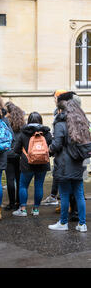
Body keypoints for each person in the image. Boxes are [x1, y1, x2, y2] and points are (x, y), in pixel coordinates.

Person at [48, 97, 89, 232]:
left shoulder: (60, 124)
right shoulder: (81, 122)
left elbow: (57, 144)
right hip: (79, 163)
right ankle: (82, 225)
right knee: (79, 193)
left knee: (65, 194)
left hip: (64, 164)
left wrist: (50, 149)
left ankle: (63, 222)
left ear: (61, 110)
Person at [13, 112, 52, 216]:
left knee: (23, 186)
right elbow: (51, 150)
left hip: (27, 164)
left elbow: (16, 150)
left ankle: (23, 209)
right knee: (39, 185)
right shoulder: (46, 133)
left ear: (29, 120)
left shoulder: (24, 133)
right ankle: (36, 209)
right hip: (43, 164)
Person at [41, 89, 67, 206]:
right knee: (58, 174)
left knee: (61, 175)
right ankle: (55, 196)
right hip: (61, 148)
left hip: (64, 150)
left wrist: (51, 148)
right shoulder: (57, 111)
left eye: (55, 98)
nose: (54, 100)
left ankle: (62, 202)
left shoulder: (63, 113)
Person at [4, 101, 25, 210]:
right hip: (20, 154)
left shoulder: (6, 122)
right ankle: (19, 202)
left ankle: (11, 203)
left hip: (8, 153)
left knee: (10, 179)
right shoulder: (22, 123)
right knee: (19, 179)